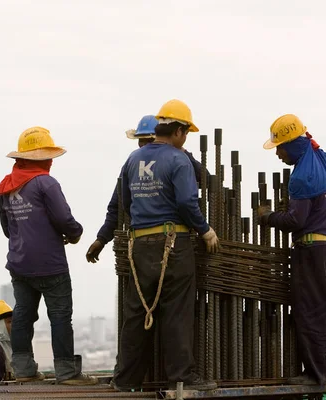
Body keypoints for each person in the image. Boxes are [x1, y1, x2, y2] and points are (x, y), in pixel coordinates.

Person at [111, 100, 220, 391]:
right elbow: (187, 201)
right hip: (174, 245)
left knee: (137, 312)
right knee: (177, 312)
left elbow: (125, 198)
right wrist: (205, 230)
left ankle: (126, 380)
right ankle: (182, 376)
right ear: (180, 131)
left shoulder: (133, 160)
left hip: (140, 244)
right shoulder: (178, 160)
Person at [258, 114, 326, 385]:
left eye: (280, 147)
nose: (278, 153)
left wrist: (267, 216)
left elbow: (296, 221)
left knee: (312, 314)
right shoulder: (322, 158)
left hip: (313, 251)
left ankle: (315, 375)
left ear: (292, 144)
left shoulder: (302, 177)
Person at [0, 126, 98, 385]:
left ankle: (23, 371)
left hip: (19, 265)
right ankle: (67, 372)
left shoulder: (6, 187)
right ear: (41, 158)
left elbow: (7, 229)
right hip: (50, 265)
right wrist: (76, 234)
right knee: (61, 316)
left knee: (23, 314)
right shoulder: (46, 183)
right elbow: (64, 219)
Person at [86, 114, 210, 263]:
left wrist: (182, 152)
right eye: (141, 142)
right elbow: (118, 206)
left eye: (149, 141)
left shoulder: (177, 160)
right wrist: (102, 239)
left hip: (171, 242)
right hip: (146, 244)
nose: (145, 147)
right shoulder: (133, 163)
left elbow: (207, 181)